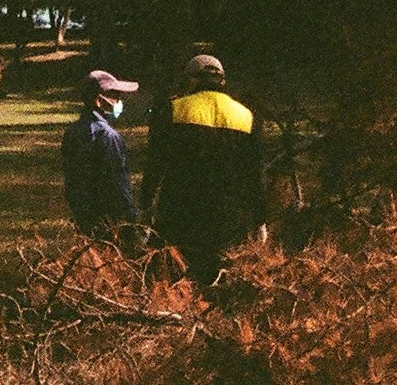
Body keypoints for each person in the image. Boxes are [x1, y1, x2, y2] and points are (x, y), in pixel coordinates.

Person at [145, 52, 265, 283]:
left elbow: (155, 163)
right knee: (221, 280)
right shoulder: (247, 116)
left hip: (180, 212)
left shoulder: (173, 110)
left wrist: (146, 205)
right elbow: (254, 174)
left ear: (190, 80)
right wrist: (259, 219)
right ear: (223, 82)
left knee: (178, 280)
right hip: (229, 219)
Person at [62, 70, 142, 240]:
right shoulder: (108, 136)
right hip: (110, 221)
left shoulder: (72, 132)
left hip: (83, 216)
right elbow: (118, 182)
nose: (119, 101)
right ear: (98, 100)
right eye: (114, 96)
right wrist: (130, 218)